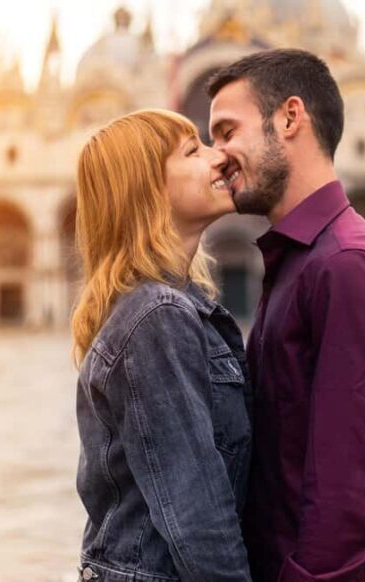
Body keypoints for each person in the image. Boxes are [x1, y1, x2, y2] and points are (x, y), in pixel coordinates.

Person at [208, 49, 365, 581]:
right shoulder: (302, 262)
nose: (217, 156)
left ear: (289, 118)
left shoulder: (348, 268)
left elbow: (345, 504)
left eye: (227, 131)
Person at [72, 109, 252, 582]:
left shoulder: (172, 306)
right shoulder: (157, 317)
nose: (220, 158)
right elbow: (197, 516)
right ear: (148, 190)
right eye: (194, 151)